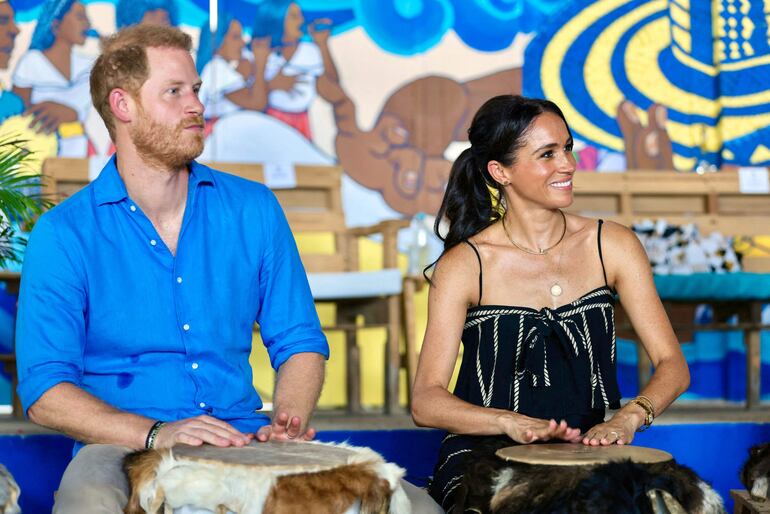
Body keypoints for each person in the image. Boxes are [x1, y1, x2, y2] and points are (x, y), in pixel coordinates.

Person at [15, 24, 441, 514]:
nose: (196, 105)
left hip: (242, 435)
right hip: (120, 445)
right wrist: (155, 432)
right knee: (86, 501)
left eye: (195, 90)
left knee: (416, 506)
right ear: (122, 106)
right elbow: (45, 391)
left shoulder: (253, 208)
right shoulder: (64, 233)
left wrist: (288, 418)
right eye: (173, 92)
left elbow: (300, 341)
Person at [410, 95, 690, 512]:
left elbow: (672, 364)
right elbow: (426, 401)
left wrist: (627, 418)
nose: (568, 165)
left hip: (586, 448)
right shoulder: (465, 265)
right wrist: (509, 422)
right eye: (547, 154)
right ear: (500, 171)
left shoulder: (612, 245)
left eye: (568, 148)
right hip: (483, 457)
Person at [11, 0, 93, 156]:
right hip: (40, 157)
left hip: (80, 156)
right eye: (80, 17)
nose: (88, 24)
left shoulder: (89, 67)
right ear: (56, 25)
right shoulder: (32, 62)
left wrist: (73, 113)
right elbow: (15, 116)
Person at [251, 0, 326, 139]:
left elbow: (328, 85)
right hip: (266, 121)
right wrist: (272, 85)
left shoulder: (310, 51)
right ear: (277, 18)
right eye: (294, 16)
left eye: (300, 15)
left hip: (301, 121)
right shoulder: (260, 52)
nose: (301, 20)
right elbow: (248, 94)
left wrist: (323, 44)